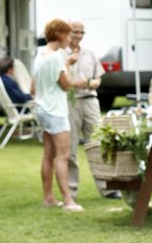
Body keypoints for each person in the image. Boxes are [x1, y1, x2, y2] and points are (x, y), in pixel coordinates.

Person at [33, 18, 83, 212]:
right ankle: (69, 201)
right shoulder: (56, 58)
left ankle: (49, 198)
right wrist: (69, 63)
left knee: (48, 155)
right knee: (63, 155)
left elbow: (33, 85)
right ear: (60, 34)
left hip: (42, 108)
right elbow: (66, 84)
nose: (70, 38)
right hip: (56, 111)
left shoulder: (40, 55)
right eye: (69, 34)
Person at [66, 20, 109, 198]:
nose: (79, 35)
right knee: (70, 147)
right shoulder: (62, 53)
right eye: (75, 32)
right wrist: (75, 83)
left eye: (81, 32)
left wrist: (94, 83)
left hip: (90, 100)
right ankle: (71, 190)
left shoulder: (89, 53)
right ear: (68, 32)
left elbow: (98, 77)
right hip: (71, 101)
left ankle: (107, 188)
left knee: (97, 144)